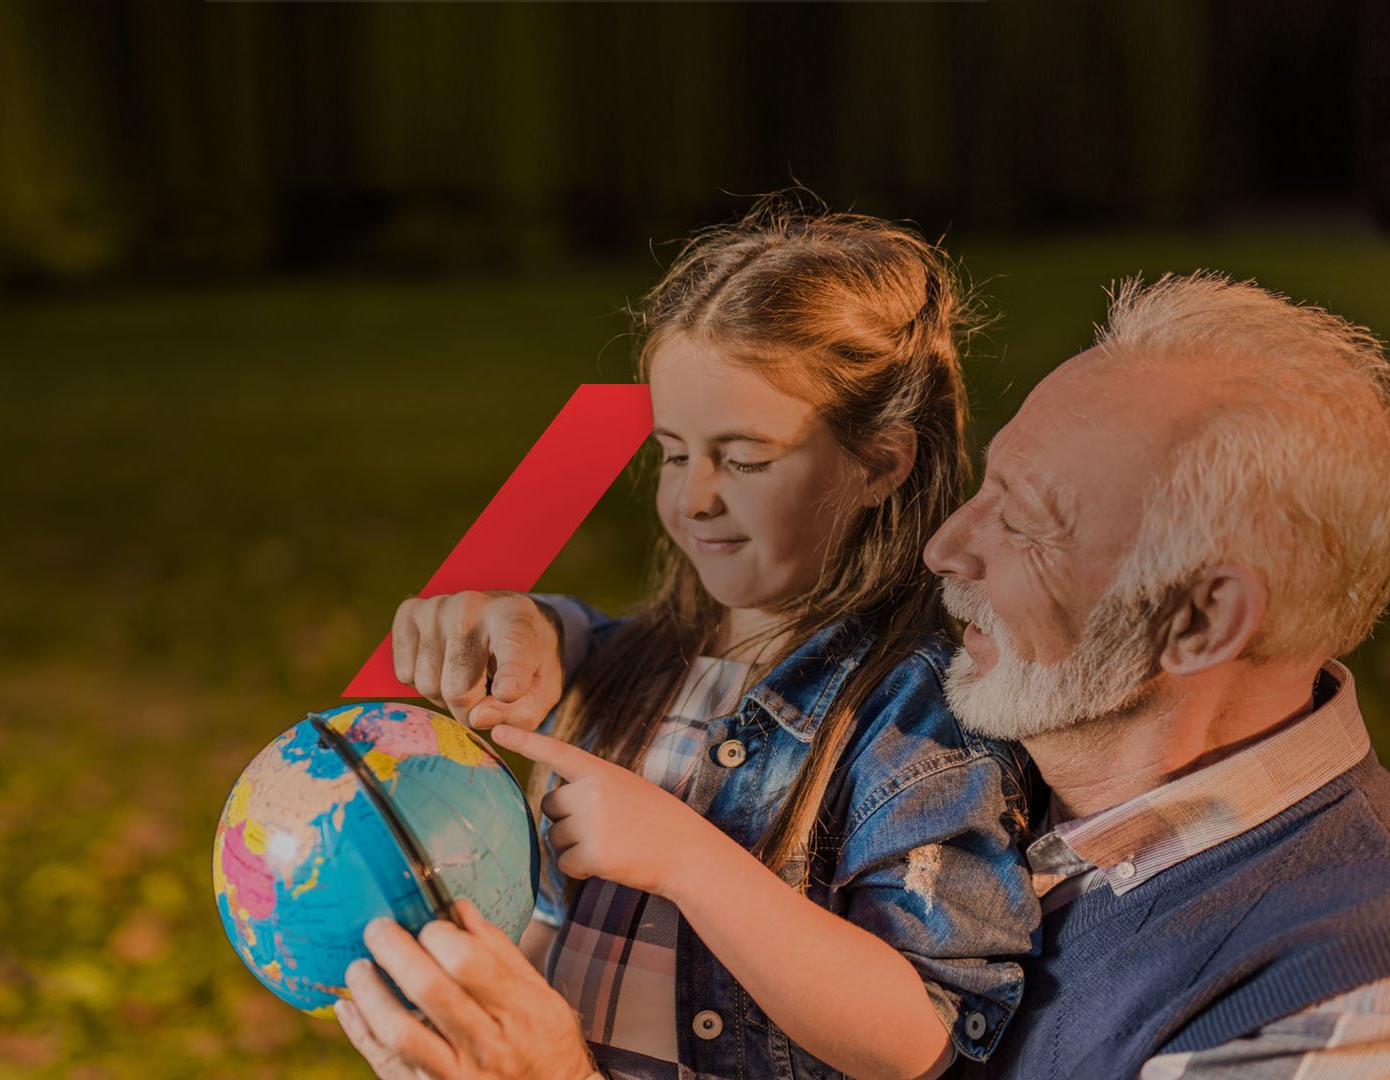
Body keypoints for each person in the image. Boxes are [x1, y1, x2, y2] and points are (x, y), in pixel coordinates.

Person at [337, 201, 1041, 1080]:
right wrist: (533, 626)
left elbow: (926, 1037)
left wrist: (688, 859)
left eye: (744, 458)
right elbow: (584, 637)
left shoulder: (919, 719)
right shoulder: (643, 665)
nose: (695, 499)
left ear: (880, 463)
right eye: (674, 452)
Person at [921, 272, 1390, 1076]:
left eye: (1023, 524)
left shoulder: (1373, 1017)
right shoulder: (944, 767)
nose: (946, 547)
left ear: (1199, 621)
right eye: (986, 488)